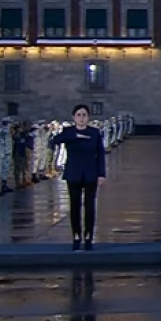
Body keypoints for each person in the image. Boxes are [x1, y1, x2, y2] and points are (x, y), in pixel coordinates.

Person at [50, 104, 108, 251]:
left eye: (84, 115)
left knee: (90, 206)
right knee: (74, 206)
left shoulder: (94, 133)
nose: (81, 118)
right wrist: (74, 135)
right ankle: (76, 236)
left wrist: (101, 174)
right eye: (79, 115)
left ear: (88, 117)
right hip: (73, 173)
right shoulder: (68, 132)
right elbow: (55, 141)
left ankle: (89, 236)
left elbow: (100, 154)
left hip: (91, 173)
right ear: (74, 117)